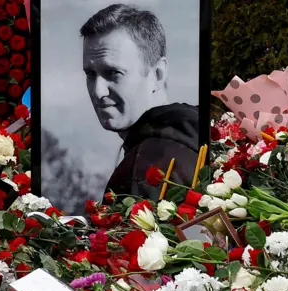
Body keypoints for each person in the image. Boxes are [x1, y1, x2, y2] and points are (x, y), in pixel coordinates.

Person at [80, 3, 200, 201]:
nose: (98, 91)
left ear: (157, 74)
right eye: (91, 74)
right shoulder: (198, 139)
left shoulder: (144, 169)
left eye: (113, 73)